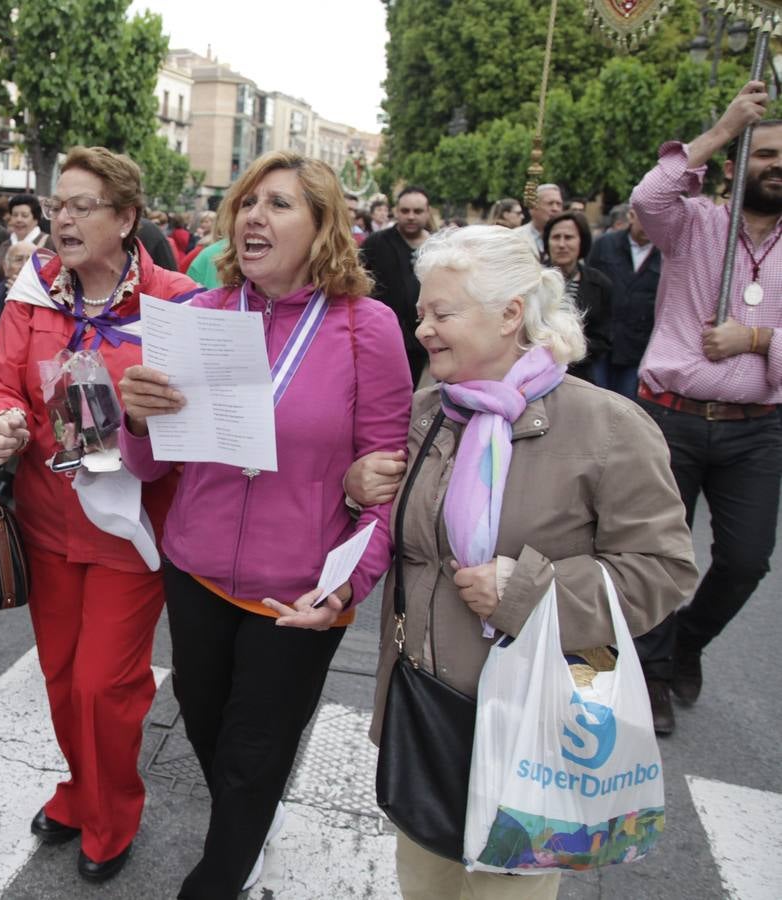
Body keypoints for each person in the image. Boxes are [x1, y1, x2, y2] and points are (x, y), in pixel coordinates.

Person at [345, 224, 696, 899]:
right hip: (428, 714)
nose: (421, 329)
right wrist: (357, 486)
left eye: (442, 313)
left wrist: (531, 588)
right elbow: (407, 540)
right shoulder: (427, 414)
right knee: (424, 886)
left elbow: (663, 571)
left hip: (535, 731)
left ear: (511, 314)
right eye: (421, 311)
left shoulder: (608, 428)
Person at [117, 150, 412, 898]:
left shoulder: (366, 329)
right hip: (196, 569)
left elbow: (387, 483)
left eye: (278, 204)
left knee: (254, 753)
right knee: (210, 730)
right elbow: (150, 469)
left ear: (322, 228)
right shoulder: (197, 317)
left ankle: (219, 876)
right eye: (247, 202)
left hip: (297, 593)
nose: (253, 216)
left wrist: (348, 589)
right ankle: (247, 829)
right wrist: (137, 420)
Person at [0, 146, 198, 884]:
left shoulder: (177, 299)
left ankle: (113, 814)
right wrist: (5, 417)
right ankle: (79, 790)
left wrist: (142, 422)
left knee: (108, 683)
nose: (61, 219)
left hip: (130, 525)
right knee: (62, 675)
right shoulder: (34, 286)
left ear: (127, 217)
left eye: (79, 206)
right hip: (47, 517)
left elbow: (194, 423)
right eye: (55, 206)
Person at [629, 81, 782, 735]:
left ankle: (686, 639)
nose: (776, 166)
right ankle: (654, 671)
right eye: (763, 152)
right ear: (734, 163)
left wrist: (756, 338)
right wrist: (721, 128)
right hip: (672, 415)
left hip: (756, 427)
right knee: (660, 551)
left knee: (746, 560)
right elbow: (647, 198)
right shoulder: (694, 223)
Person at [361, 185, 433, 386]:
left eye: (417, 211)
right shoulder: (375, 243)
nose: (411, 216)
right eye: (405, 211)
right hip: (379, 339)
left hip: (421, 340)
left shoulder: (438, 247)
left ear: (428, 212)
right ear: (396, 211)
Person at [587, 205, 660, 399]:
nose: (649, 227)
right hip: (602, 344)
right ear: (632, 216)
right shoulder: (605, 245)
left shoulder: (665, 254)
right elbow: (589, 284)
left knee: (626, 405)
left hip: (638, 348)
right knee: (598, 401)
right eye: (645, 220)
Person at [543, 211, 612, 386]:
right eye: (556, 237)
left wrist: (571, 348)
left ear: (582, 241)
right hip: (537, 372)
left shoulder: (599, 284)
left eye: (569, 237)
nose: (561, 244)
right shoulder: (533, 280)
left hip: (580, 375)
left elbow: (603, 337)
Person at [520, 183, 563, 257]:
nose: (555, 209)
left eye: (559, 204)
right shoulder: (516, 237)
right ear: (533, 208)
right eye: (550, 203)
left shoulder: (571, 237)